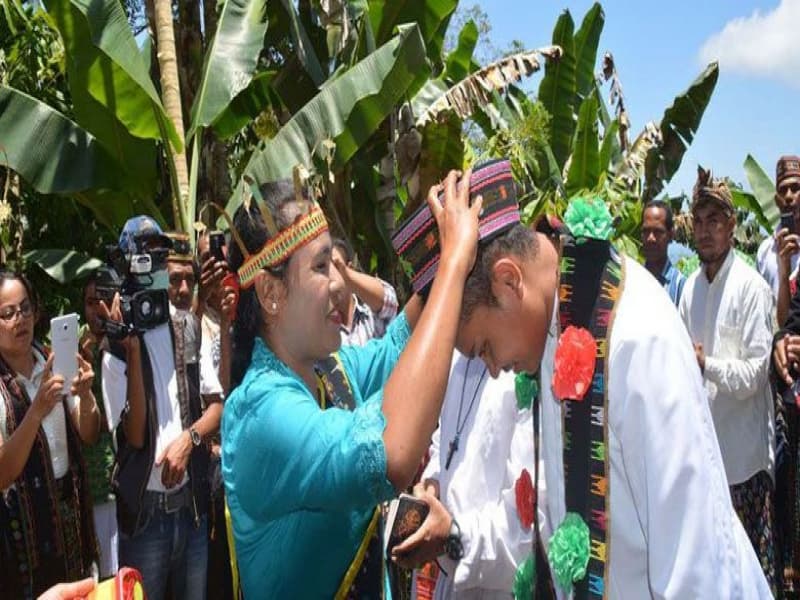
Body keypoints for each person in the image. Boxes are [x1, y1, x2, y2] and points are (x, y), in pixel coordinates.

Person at [393, 162, 771, 597]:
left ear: (508, 281)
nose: (493, 369)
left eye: (483, 348)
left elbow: (698, 567)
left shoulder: (634, 335)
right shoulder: (553, 327)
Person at [222, 169, 483, 598]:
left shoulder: (329, 372)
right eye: (321, 267)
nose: (341, 283)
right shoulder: (260, 413)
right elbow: (389, 454)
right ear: (271, 292)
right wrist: (453, 264)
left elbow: (400, 344)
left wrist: (446, 248)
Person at [100, 216, 223, 600]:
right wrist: (132, 349)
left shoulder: (188, 327)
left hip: (191, 509)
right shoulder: (113, 348)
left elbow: (216, 407)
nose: (152, 267)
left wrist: (189, 441)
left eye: (158, 257)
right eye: (145, 259)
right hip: (146, 515)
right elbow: (134, 434)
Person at [679, 168, 777, 593]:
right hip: (705, 463)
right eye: (699, 221)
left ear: (732, 226)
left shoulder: (752, 288)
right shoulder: (688, 289)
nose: (705, 231)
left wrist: (707, 365)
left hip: (743, 465)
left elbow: (756, 375)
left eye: (714, 221)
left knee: (752, 579)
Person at [0, 270, 100, 599]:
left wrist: (85, 395)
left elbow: (88, 433)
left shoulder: (53, 360)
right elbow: (2, 473)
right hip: (23, 533)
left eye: (26, 308)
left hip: (69, 518)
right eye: (8, 313)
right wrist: (36, 410)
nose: (20, 319)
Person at [404, 352, 537, 598]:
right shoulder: (457, 356)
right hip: (450, 579)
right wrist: (434, 484)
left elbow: (525, 531)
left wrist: (453, 537)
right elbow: (445, 442)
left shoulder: (526, 365)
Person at [79, 271, 119, 579]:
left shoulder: (124, 345)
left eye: (103, 300)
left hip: (121, 487)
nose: (98, 309)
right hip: (89, 490)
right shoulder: (73, 352)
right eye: (91, 302)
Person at [329, 236, 399, 346]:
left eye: (335, 267)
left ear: (350, 268)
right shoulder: (326, 334)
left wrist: (345, 274)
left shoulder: (371, 311)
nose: (330, 276)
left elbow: (390, 301)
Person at [757, 155, 800, 325]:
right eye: (782, 190)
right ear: (776, 199)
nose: (788, 196)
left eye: (795, 188)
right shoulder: (765, 252)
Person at [640, 199, 685, 306]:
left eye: (658, 232)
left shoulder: (680, 287)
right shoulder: (632, 282)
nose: (651, 238)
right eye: (646, 231)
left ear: (670, 235)